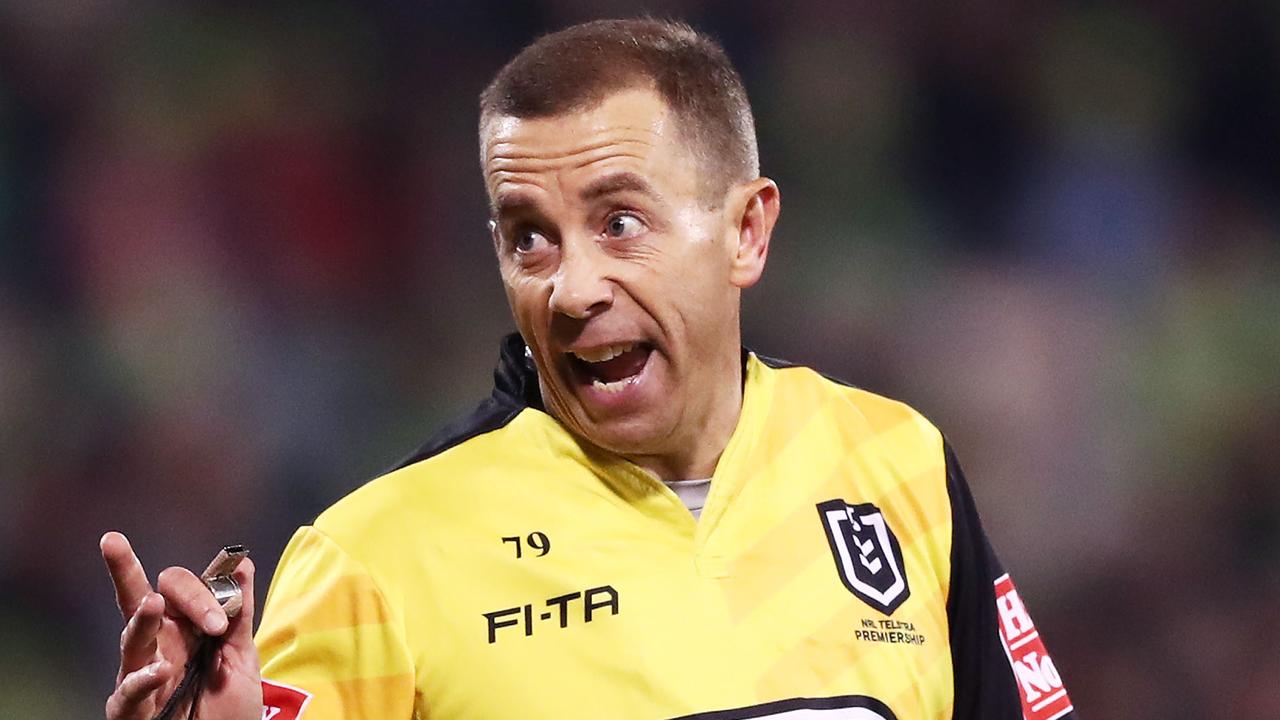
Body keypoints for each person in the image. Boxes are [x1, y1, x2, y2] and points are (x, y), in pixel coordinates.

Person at [101, 18, 1076, 720]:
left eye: (619, 222)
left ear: (745, 230)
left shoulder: (897, 462)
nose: (570, 290)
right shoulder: (377, 561)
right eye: (529, 239)